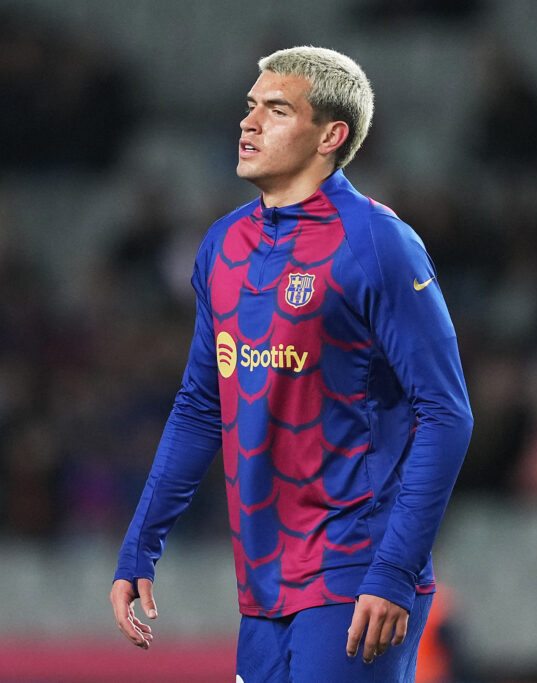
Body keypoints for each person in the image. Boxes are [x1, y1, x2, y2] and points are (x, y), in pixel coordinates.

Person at [110, 45, 473, 682]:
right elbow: (202, 405)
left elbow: (446, 412)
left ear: (331, 135)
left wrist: (394, 569)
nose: (248, 123)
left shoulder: (378, 244)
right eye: (250, 107)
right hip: (261, 583)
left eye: (276, 109)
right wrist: (141, 544)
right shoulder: (223, 246)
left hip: (356, 573)